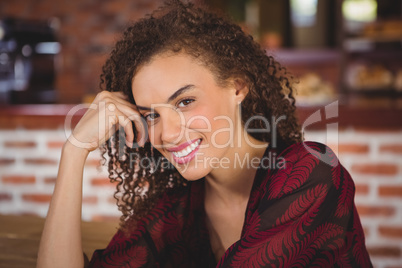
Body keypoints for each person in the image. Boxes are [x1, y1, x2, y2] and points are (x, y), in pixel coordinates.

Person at [37, 1, 372, 267]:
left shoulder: (313, 174)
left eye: (185, 101)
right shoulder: (176, 210)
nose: (166, 133)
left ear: (238, 86)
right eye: (151, 114)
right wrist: (74, 150)